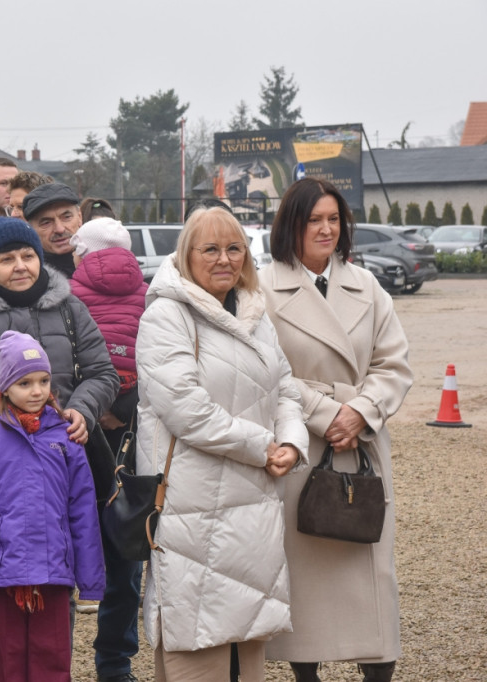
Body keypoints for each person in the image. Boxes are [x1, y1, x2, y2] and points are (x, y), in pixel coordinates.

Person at [135, 206, 309, 681]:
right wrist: (263, 446)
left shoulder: (254, 310)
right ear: (186, 254)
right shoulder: (165, 315)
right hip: (192, 501)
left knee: (246, 635)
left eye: (234, 248)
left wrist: (292, 444)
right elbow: (186, 411)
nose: (224, 259)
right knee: (195, 639)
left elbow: (286, 389)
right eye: (209, 248)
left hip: (253, 497)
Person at [258, 178, 413, 682]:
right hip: (302, 444)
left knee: (372, 569)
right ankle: (307, 673)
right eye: (314, 220)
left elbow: (394, 365)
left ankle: (378, 668)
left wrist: (363, 411)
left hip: (361, 445)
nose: (326, 229)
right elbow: (265, 369)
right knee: (305, 572)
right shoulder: (261, 288)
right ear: (291, 226)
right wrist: (328, 415)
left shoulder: (367, 286)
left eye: (334, 219)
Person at [0, 330, 105, 681]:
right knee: (8, 662)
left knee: (52, 661)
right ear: (5, 387)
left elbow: (83, 513)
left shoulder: (65, 437)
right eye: (24, 383)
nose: (37, 391)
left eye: (43, 380)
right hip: (4, 573)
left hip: (54, 573)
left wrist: (91, 578)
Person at [67, 217, 148, 682]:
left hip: (80, 427)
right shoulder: (150, 293)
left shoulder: (68, 294)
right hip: (132, 431)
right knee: (127, 545)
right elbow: (159, 359)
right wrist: (125, 406)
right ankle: (114, 663)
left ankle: (51, 657)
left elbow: (60, 357)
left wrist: (90, 407)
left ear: (83, 253)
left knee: (63, 544)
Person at [22, 182, 83, 278]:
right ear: (31, 229)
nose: (59, 229)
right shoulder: (26, 277)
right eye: (46, 222)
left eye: (66, 217)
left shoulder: (108, 261)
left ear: (79, 217)